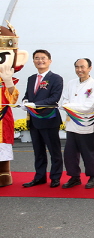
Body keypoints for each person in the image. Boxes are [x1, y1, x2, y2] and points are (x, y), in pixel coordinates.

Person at [22, 49, 63, 188]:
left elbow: (54, 98)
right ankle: (39, 177)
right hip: (34, 121)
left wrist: (35, 105)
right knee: (38, 152)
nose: (40, 60)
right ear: (33, 61)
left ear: (49, 61)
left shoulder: (56, 78)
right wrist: (25, 102)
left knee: (54, 151)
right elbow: (28, 95)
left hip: (49, 120)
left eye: (43, 58)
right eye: (37, 58)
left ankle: (55, 177)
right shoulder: (31, 78)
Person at [60, 58, 94, 189]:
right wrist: (68, 105)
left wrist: (69, 106)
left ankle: (93, 177)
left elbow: (88, 107)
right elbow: (64, 100)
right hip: (71, 124)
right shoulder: (71, 83)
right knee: (70, 153)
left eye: (82, 67)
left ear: (90, 68)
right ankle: (74, 177)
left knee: (89, 153)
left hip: (86, 124)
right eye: (77, 67)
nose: (79, 70)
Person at [0, 24, 28, 187]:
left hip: (2, 119)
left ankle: (4, 173)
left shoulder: (5, 80)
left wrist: (8, 81)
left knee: (2, 147)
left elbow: (12, 100)